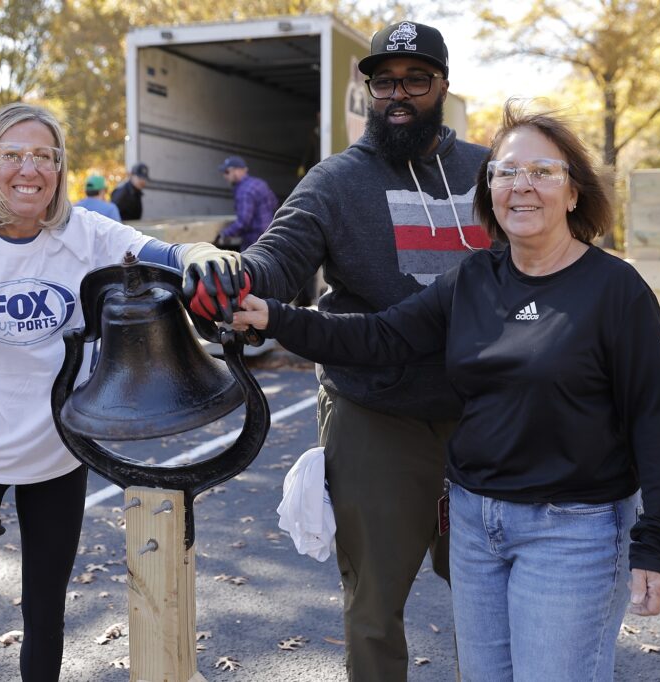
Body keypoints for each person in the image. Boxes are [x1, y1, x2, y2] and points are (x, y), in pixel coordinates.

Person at [231, 101, 660, 682]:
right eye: (506, 173)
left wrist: (659, 543)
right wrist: (271, 316)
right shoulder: (474, 279)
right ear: (490, 194)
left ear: (573, 192)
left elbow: (656, 419)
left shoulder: (615, 291)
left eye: (543, 172)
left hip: (571, 530)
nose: (522, 187)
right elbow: (379, 337)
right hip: (477, 526)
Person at [187, 21, 488, 681]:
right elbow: (277, 257)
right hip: (377, 413)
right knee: (376, 608)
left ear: (442, 84)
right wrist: (230, 273)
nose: (398, 94)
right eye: (383, 82)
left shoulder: (487, 171)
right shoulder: (337, 181)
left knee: (493, 599)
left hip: (487, 417)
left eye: (415, 79)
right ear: (369, 92)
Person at [0, 102, 241, 681]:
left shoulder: (83, 234)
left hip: (60, 458)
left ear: (59, 168)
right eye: (12, 155)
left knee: (46, 616)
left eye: (43, 156)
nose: (27, 169)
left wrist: (194, 253)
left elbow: (152, 251)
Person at [216, 155, 278, 250]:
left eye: (227, 172)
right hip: (270, 238)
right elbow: (275, 204)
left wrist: (223, 234)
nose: (225, 176)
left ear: (236, 171)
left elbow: (243, 223)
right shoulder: (260, 183)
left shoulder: (244, 191)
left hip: (254, 244)